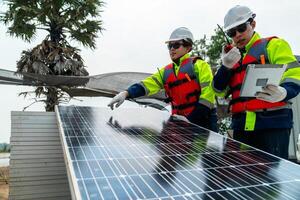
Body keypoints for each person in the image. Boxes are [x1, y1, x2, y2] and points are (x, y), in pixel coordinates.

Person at [213, 5, 300, 159]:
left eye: (241, 28)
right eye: (232, 32)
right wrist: (225, 67)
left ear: (252, 24)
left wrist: (285, 91)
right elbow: (217, 90)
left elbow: (295, 73)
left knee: (273, 178)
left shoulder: (274, 45)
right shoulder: (231, 57)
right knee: (245, 176)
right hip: (241, 126)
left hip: (273, 124)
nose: (237, 35)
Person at [108, 27, 218, 132]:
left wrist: (190, 121)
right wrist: (126, 93)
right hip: (179, 124)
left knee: (203, 152)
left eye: (176, 45)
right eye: (169, 46)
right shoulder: (165, 72)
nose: (172, 49)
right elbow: (146, 85)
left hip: (203, 124)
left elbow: (207, 98)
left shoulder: (200, 66)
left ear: (188, 47)